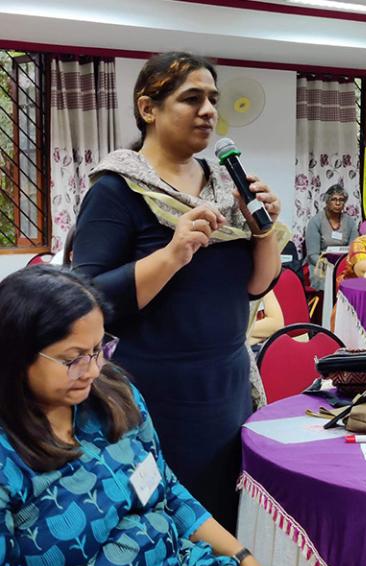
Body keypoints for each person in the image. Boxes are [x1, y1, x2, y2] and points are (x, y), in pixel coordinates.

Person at [72, 52, 282, 532]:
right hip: (153, 394)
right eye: (192, 98)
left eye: (213, 99)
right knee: (160, 525)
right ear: (148, 108)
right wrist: (171, 254)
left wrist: (262, 231)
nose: (208, 110)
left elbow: (257, 285)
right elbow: (85, 299)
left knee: (226, 523)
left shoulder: (224, 184)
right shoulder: (117, 189)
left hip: (226, 386)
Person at [0, 265, 266, 566]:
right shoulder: (9, 458)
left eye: (99, 349)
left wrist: (243, 558)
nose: (93, 371)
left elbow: (167, 489)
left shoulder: (112, 395)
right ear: (16, 356)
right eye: (72, 359)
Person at [305, 184, 358, 289]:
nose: (338, 203)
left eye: (341, 200)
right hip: (320, 264)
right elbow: (312, 255)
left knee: (355, 280)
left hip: (344, 264)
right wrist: (330, 267)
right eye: (334, 199)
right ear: (327, 201)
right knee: (326, 281)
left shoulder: (350, 222)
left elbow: (354, 250)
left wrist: (342, 266)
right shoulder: (315, 221)